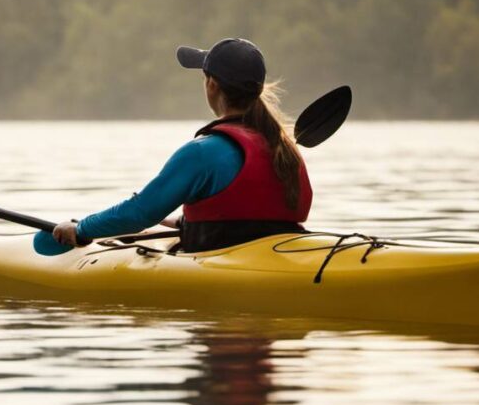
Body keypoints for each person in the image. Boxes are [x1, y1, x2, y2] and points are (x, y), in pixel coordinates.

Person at [34, 38, 312, 255]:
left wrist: (81, 229)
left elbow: (139, 213)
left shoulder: (202, 152)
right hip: (277, 254)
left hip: (228, 262)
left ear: (212, 84)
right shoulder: (284, 149)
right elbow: (255, 219)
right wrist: (185, 223)